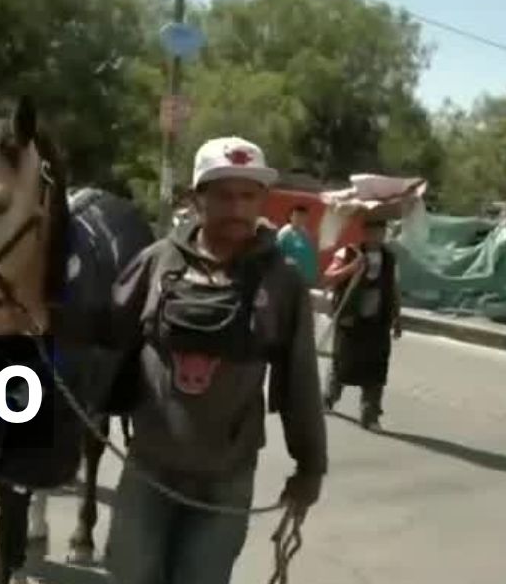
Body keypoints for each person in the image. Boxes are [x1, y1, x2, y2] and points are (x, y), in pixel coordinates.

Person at [101, 136, 327, 584]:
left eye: (249, 196)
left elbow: (300, 381)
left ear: (263, 201)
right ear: (196, 199)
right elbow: (103, 343)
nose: (237, 208)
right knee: (129, 574)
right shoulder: (156, 262)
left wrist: (310, 467)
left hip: (227, 476)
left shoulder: (281, 284)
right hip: (150, 466)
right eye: (223, 195)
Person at [321, 218, 401, 430]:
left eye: (381, 231)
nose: (377, 235)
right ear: (364, 232)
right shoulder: (348, 253)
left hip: (378, 321)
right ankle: (328, 398)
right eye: (373, 231)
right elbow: (328, 277)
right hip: (350, 318)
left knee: (377, 369)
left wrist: (397, 317)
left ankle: (370, 414)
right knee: (342, 363)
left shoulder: (389, 258)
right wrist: (352, 268)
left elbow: (392, 288)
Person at [277, 204, 319, 287]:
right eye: (297, 216)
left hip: (305, 281)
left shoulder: (305, 232)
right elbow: (277, 254)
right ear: (291, 217)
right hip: (290, 281)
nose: (300, 219)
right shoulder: (285, 233)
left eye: (303, 216)